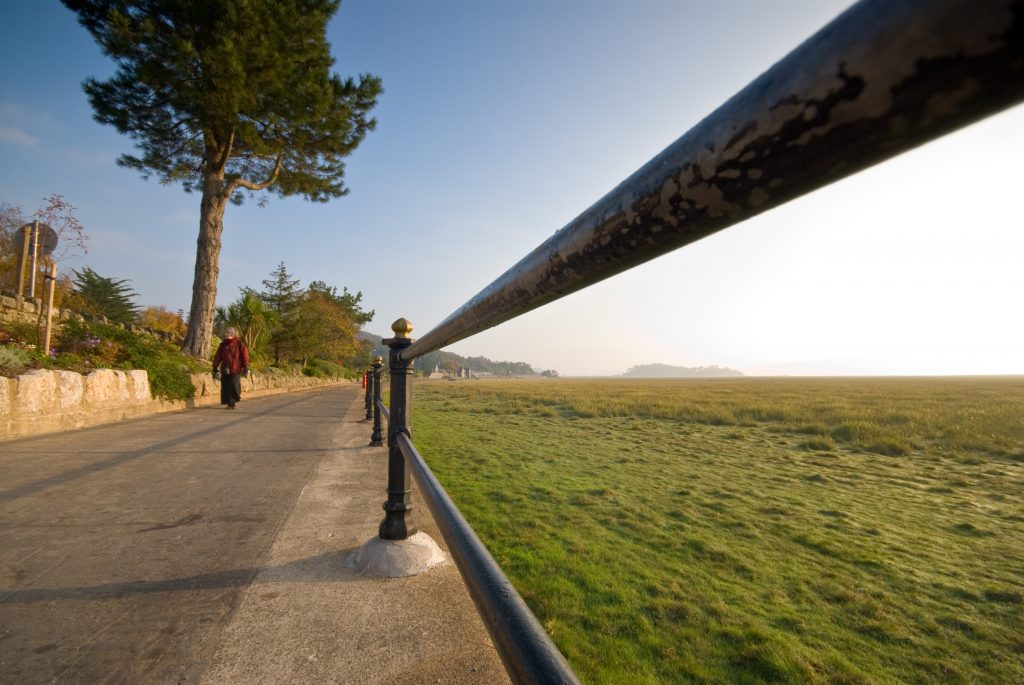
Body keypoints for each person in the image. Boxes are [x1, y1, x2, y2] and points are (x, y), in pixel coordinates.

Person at [212, 327, 250, 409]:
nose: (226, 334)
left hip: (236, 369)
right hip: (225, 369)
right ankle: (230, 403)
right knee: (226, 386)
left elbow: (245, 357)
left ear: (232, 334)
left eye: (228, 333)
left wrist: (246, 367)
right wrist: (215, 366)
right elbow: (218, 356)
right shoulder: (223, 345)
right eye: (226, 333)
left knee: (234, 386)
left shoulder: (240, 344)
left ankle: (233, 402)